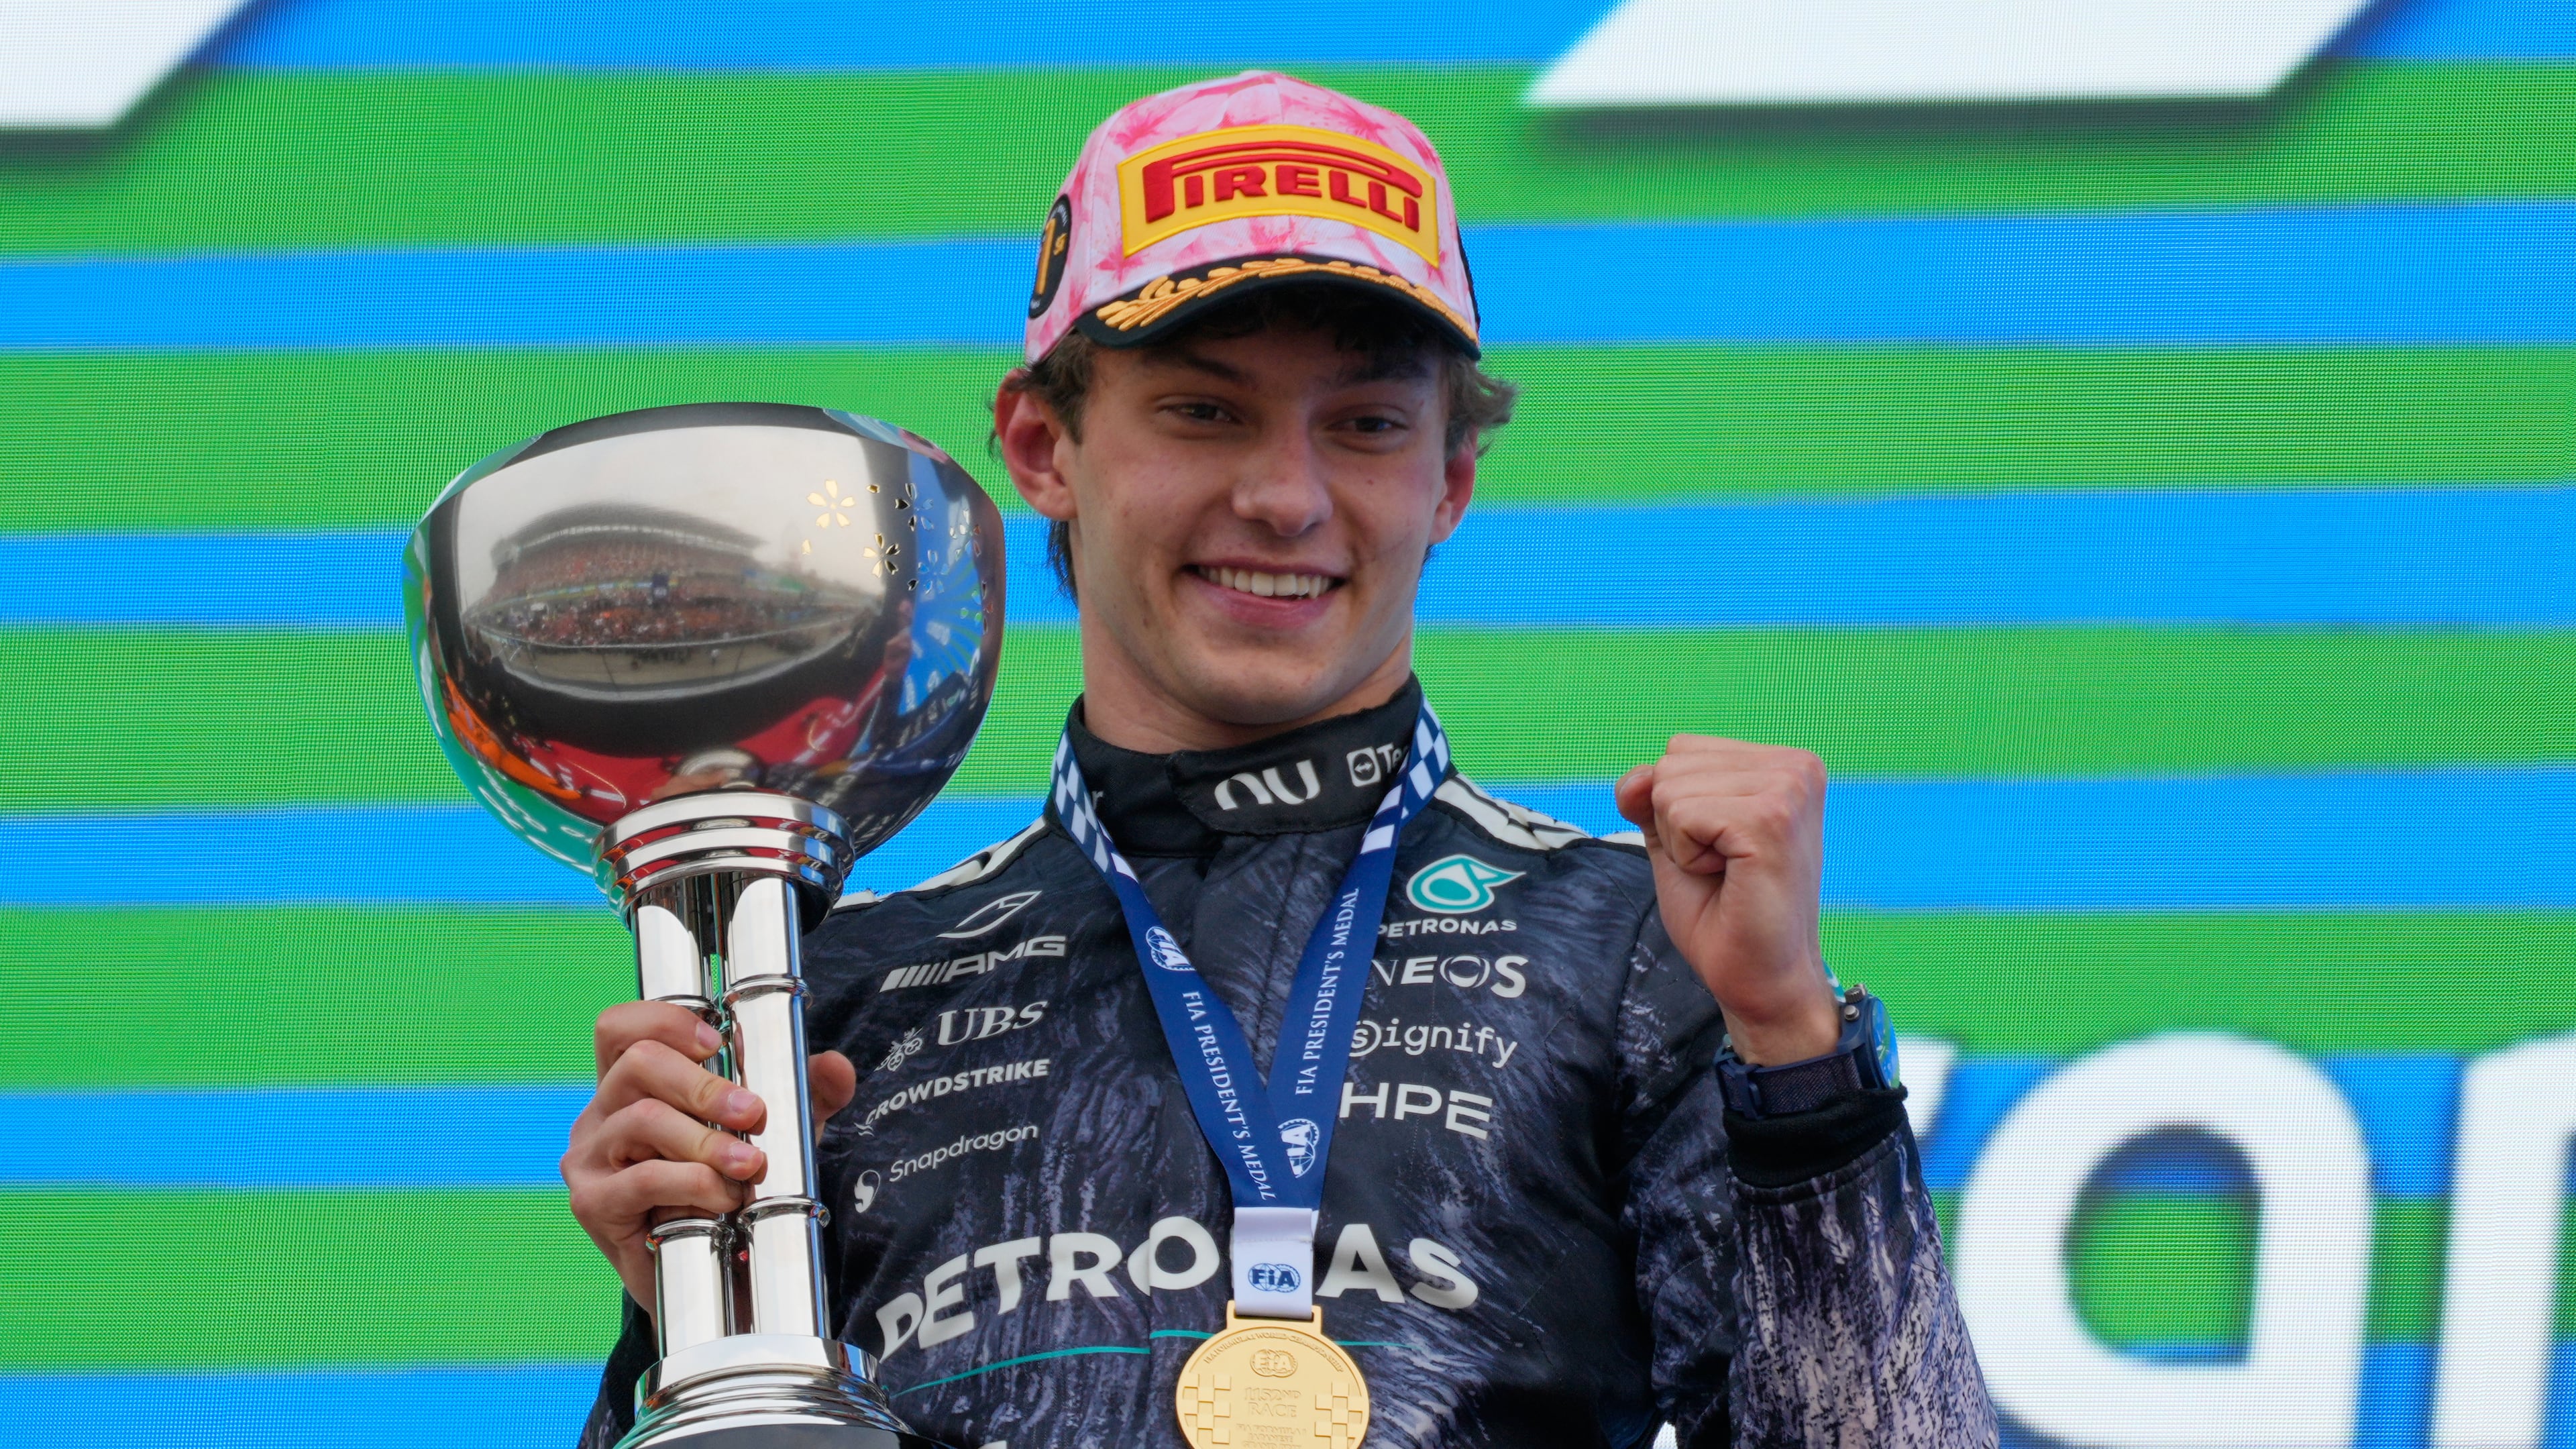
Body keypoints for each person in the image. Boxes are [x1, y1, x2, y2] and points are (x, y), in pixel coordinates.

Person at [568, 71, 1994, 1449]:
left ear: (1450, 480)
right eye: (1205, 411)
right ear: (1041, 443)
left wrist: (1799, 1064)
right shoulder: (845, 996)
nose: (1285, 496)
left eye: (1366, 425)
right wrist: (687, 1323)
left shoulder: (1638, 945)